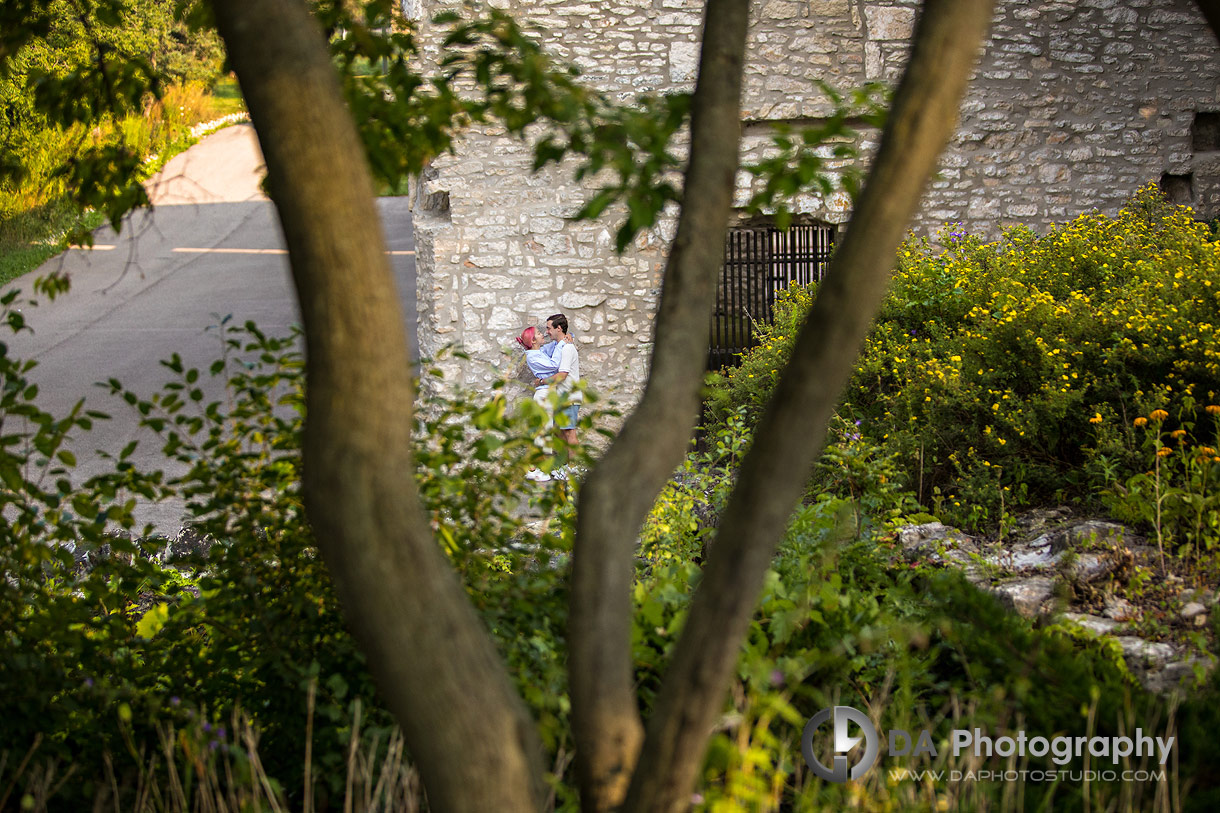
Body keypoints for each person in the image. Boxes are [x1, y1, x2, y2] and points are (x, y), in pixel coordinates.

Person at [536, 313, 580, 478]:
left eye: (548, 328)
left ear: (558, 328)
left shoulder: (567, 348)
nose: (547, 331)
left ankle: (574, 469)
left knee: (569, 432)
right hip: (562, 397)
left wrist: (542, 381)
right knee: (560, 432)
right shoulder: (560, 346)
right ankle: (565, 466)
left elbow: (562, 375)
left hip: (569, 396)